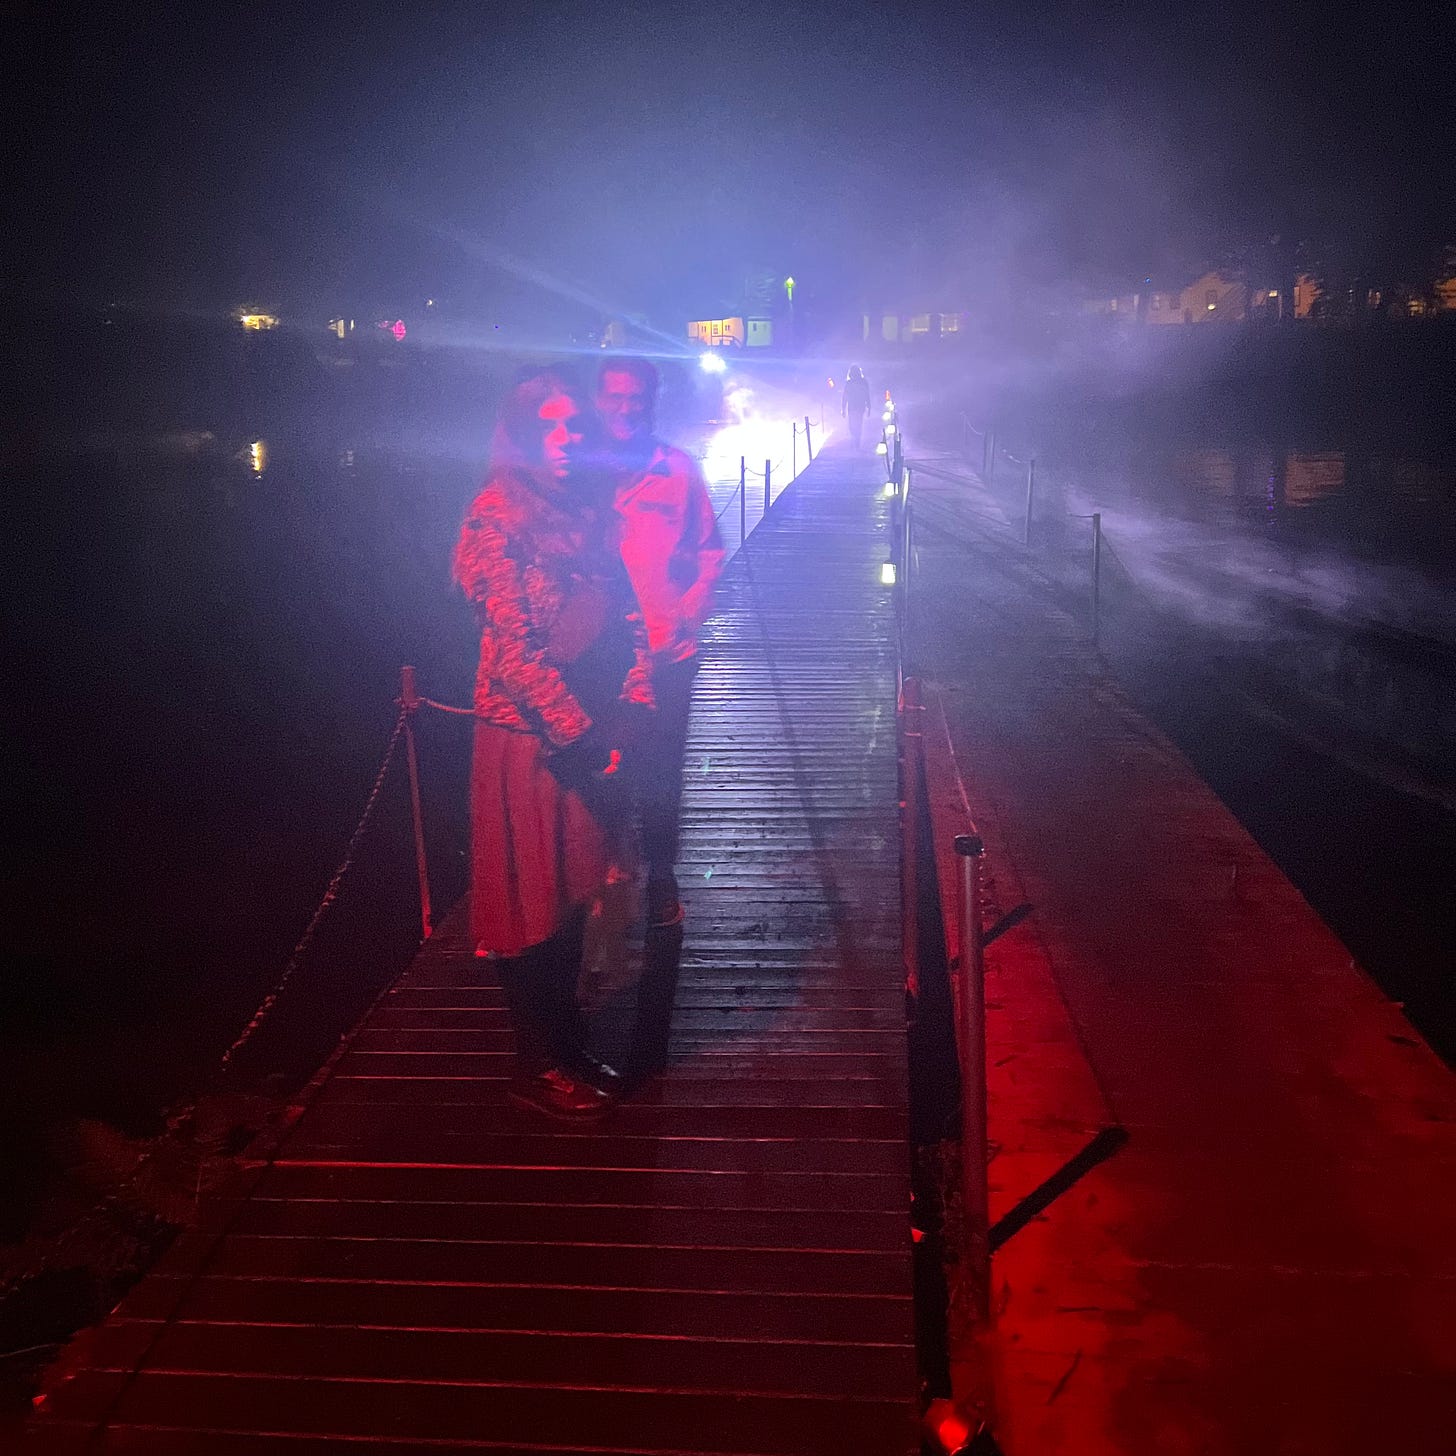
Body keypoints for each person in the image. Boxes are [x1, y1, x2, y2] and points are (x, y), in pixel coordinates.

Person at [453, 369, 653, 1120]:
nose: (567, 443)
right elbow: (515, 654)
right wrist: (582, 738)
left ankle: (563, 1044)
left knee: (573, 899)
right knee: (529, 908)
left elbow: (629, 616)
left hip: (596, 731)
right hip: (526, 742)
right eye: (550, 429)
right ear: (523, 438)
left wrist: (634, 705)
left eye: (577, 429)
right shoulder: (495, 519)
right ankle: (533, 1062)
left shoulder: (590, 513)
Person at [595, 357, 724, 930]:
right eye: (614, 397)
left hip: (669, 654)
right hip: (601, 658)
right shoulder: (580, 475)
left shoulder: (676, 469)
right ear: (597, 401)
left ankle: (662, 876)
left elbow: (710, 551)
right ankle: (602, 877)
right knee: (601, 767)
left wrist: (689, 610)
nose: (626, 408)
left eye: (636, 398)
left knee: (662, 771)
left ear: (652, 400)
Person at [841, 364, 871, 448]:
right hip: (860, 407)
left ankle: (855, 439)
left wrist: (843, 409)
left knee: (852, 425)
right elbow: (867, 395)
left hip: (852, 407)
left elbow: (844, 397)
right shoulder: (863, 382)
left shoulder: (849, 383)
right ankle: (857, 441)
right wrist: (869, 407)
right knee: (859, 424)